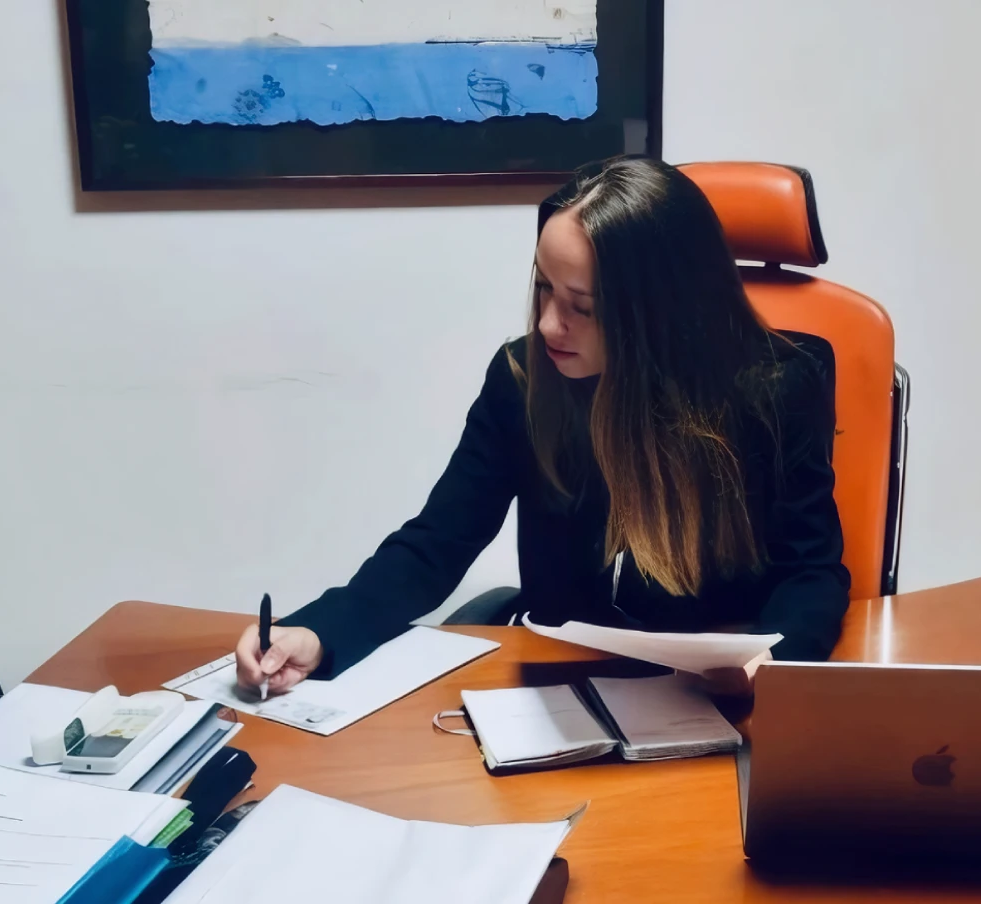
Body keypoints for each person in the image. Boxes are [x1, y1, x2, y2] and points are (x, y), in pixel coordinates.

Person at [235, 157, 851, 699]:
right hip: (565, 687)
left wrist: (773, 665)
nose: (551, 325)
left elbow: (812, 571)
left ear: (661, 312)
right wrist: (320, 630)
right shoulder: (524, 378)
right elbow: (438, 541)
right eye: (543, 288)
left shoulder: (776, 388)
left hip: (713, 697)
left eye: (583, 307)